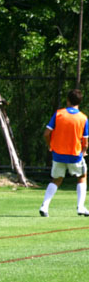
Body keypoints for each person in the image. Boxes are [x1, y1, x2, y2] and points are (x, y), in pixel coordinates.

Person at [38, 89, 88, 217]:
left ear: (67, 100)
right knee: (82, 177)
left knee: (56, 179)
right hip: (75, 155)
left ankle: (44, 206)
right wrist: (84, 151)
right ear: (80, 101)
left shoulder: (59, 114)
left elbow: (46, 133)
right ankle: (80, 207)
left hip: (58, 154)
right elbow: (85, 141)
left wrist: (50, 146)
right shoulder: (83, 118)